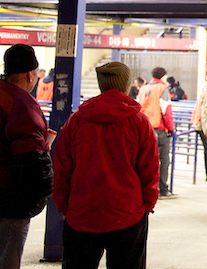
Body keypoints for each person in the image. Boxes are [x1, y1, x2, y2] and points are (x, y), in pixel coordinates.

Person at [52, 62, 160, 269]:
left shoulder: (76, 120)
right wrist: (147, 205)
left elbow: (61, 167)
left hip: (82, 213)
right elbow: (150, 169)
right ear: (127, 86)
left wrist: (64, 205)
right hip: (127, 214)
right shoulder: (139, 122)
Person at [0, 43, 53, 269]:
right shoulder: (21, 103)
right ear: (30, 74)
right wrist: (44, 192)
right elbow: (31, 158)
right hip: (7, 198)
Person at [134, 67, 175, 198]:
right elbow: (166, 110)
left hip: (143, 128)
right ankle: (162, 188)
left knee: (144, 160)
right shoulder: (162, 89)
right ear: (163, 76)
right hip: (159, 129)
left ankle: (143, 187)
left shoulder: (143, 89)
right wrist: (171, 128)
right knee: (163, 159)